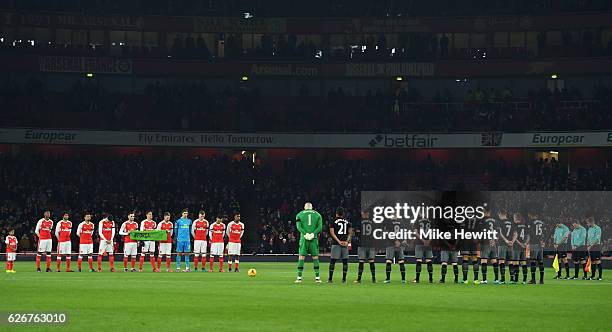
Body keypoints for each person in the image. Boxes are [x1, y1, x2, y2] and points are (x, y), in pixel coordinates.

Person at [294, 202, 323, 283]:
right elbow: (320, 227)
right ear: (312, 207)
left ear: (304, 207)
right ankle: (317, 278)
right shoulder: (318, 215)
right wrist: (313, 234)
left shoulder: (299, 214)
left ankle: (299, 277)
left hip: (304, 239)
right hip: (314, 239)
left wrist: (305, 233)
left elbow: (298, 227)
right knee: (315, 258)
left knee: (301, 257)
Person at [328, 207, 352, 283]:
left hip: (336, 243)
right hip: (345, 243)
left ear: (336, 213)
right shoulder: (348, 222)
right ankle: (344, 279)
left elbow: (332, 233)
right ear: (343, 214)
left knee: (332, 261)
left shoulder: (333, 221)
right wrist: (347, 241)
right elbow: (350, 233)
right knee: (345, 262)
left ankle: (330, 279)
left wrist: (338, 241)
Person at [355, 211, 376, 283]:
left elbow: (357, 232)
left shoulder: (359, 222)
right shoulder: (373, 221)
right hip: (371, 244)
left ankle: (359, 279)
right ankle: (373, 279)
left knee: (361, 261)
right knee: (371, 261)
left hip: (362, 244)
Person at [384, 217, 406, 284]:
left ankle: (389, 279)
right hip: (398, 243)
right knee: (400, 261)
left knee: (389, 261)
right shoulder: (401, 221)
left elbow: (386, 232)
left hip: (391, 243)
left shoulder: (388, 221)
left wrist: (395, 241)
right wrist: (401, 241)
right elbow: (403, 232)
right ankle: (403, 280)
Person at [497, 210, 516, 284]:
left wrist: (506, 241)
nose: (499, 216)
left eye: (499, 215)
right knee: (510, 262)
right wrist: (512, 241)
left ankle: (502, 279)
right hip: (510, 245)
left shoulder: (500, 222)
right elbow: (515, 233)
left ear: (501, 214)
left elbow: (500, 233)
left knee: (501, 261)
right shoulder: (511, 222)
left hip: (502, 244)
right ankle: (512, 279)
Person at [480, 209, 498, 284]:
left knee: (484, 260)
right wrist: (493, 239)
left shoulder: (483, 220)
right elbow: (497, 231)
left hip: (485, 242)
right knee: (494, 260)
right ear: (490, 212)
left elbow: (482, 231)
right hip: (493, 243)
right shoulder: (494, 220)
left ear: (484, 212)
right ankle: (496, 279)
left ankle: (484, 280)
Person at [413, 218, 433, 283]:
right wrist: (428, 241)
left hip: (419, 243)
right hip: (428, 243)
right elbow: (433, 232)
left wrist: (423, 240)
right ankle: (430, 279)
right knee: (429, 260)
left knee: (419, 260)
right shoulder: (431, 220)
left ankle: (417, 279)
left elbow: (415, 232)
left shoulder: (417, 220)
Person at [528, 212, 545, 284]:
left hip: (534, 243)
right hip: (540, 245)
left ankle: (533, 280)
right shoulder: (542, 223)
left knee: (533, 261)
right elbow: (545, 232)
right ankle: (541, 280)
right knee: (540, 262)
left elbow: (531, 233)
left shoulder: (531, 223)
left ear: (531, 215)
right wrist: (543, 241)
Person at [515, 213, 529, 284]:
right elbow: (528, 236)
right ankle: (524, 280)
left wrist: (519, 243)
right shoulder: (525, 226)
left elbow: (515, 236)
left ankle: (516, 280)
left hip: (517, 246)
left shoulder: (515, 225)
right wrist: (525, 243)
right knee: (523, 263)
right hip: (523, 246)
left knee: (516, 263)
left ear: (516, 218)